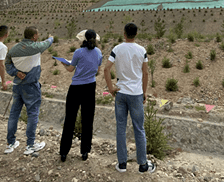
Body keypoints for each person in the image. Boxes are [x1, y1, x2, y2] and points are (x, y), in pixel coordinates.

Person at [104, 23, 156, 174]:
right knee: (139, 129)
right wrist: (144, 92)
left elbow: (107, 68)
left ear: (124, 33)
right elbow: (145, 73)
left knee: (121, 128)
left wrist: (111, 88)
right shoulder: (142, 50)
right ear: (136, 34)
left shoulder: (117, 49)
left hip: (120, 93)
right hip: (136, 94)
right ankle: (143, 165)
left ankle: (122, 164)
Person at [4, 26, 54, 155]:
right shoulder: (36, 47)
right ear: (34, 37)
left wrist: (15, 72)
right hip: (31, 86)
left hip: (17, 85)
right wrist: (51, 37)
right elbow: (47, 43)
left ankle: (10, 143)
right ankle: (30, 145)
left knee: (14, 114)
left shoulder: (13, 49)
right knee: (32, 114)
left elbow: (7, 63)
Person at [59, 29, 103, 162]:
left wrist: (64, 64)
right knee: (87, 119)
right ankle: (85, 151)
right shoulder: (98, 52)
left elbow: (71, 69)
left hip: (76, 88)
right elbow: (98, 71)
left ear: (83, 39)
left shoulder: (78, 52)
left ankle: (64, 152)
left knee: (70, 119)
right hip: (90, 87)